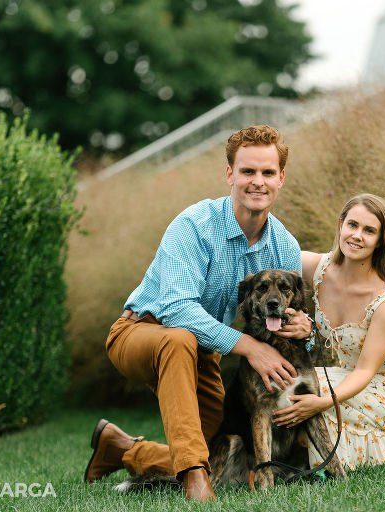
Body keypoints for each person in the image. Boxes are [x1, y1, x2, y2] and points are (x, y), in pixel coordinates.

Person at [83, 125, 313, 502]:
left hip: (203, 353)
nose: (258, 181)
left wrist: (305, 329)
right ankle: (193, 482)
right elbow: (175, 309)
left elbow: (294, 312)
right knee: (178, 338)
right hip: (141, 333)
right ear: (229, 175)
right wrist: (251, 348)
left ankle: (122, 449)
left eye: (268, 173)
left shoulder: (284, 245)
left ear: (281, 178)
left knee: (211, 449)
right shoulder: (194, 225)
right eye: (248, 171)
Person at [273, 193, 385, 468]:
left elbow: (364, 371)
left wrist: (323, 402)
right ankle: (377, 452)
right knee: (291, 382)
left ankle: (333, 459)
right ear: (340, 225)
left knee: (308, 391)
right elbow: (267, 262)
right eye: (352, 225)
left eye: (369, 230)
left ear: (381, 241)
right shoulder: (318, 269)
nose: (357, 236)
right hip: (350, 376)